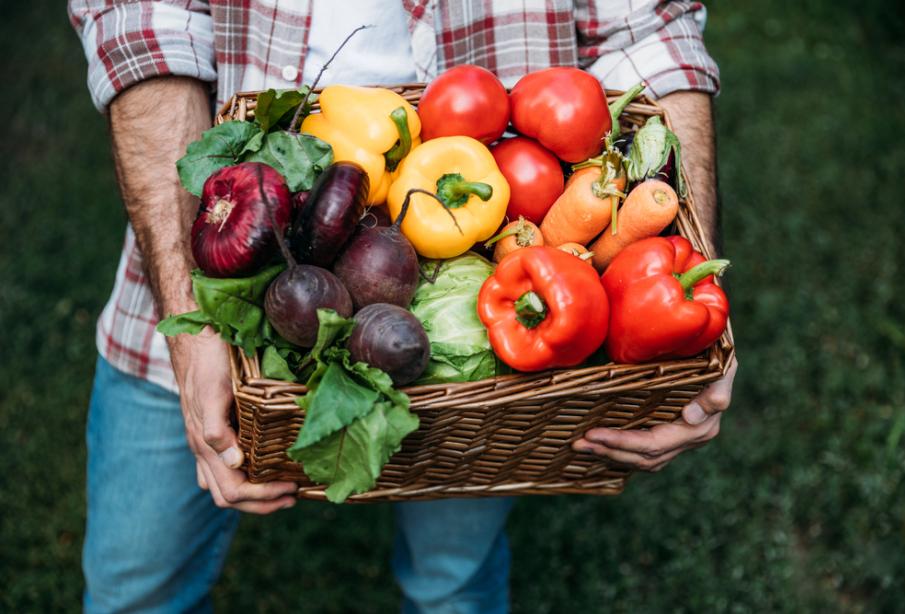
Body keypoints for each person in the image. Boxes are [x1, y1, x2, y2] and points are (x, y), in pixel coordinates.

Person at [67, 1, 737, 611]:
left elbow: (651, 30)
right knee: (136, 586)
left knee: (455, 584)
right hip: (211, 261)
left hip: (497, 350)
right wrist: (190, 327)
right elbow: (140, 23)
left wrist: (692, 336)